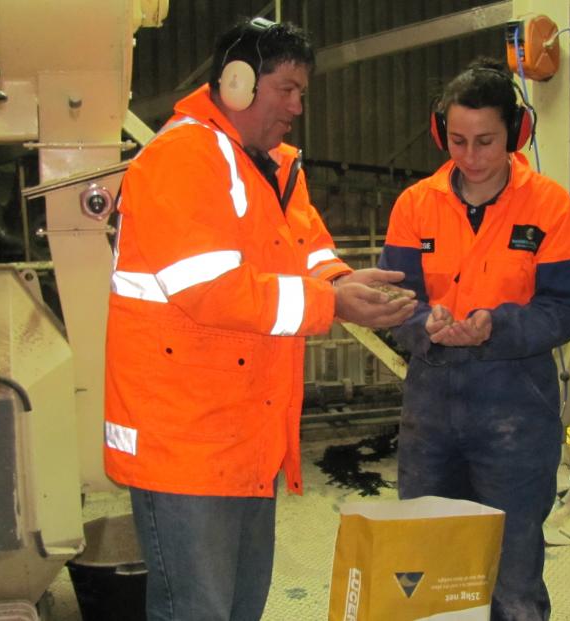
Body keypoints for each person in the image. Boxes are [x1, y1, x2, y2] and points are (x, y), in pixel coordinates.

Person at [103, 17, 416, 621]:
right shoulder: (181, 159)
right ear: (239, 84)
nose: (298, 106)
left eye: (303, 92)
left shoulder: (274, 168)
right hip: (187, 444)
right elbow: (210, 291)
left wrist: (345, 282)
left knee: (241, 606)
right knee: (197, 610)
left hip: (247, 437)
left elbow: (310, 253)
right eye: (288, 90)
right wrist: (332, 303)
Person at [378, 58, 570, 621]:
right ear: (440, 133)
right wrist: (421, 323)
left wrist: (496, 327)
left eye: (485, 142)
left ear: (516, 134)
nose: (471, 158)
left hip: (517, 413)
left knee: (514, 572)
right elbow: (393, 299)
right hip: (430, 411)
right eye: (457, 141)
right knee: (427, 564)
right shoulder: (414, 205)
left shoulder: (550, 206)